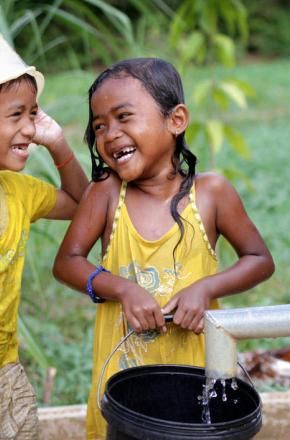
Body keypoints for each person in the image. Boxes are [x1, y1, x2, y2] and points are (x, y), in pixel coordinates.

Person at [53, 57, 275, 439]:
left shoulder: (212, 193)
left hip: (198, 380)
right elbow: (66, 263)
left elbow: (259, 260)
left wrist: (207, 288)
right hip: (123, 387)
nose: (110, 134)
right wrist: (121, 288)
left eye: (124, 117)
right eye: (100, 126)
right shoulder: (105, 195)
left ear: (176, 120)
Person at [0, 34, 88, 439]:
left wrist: (58, 145)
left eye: (33, 114)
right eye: (15, 114)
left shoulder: (19, 193)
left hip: (5, 370)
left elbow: (81, 203)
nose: (29, 127)